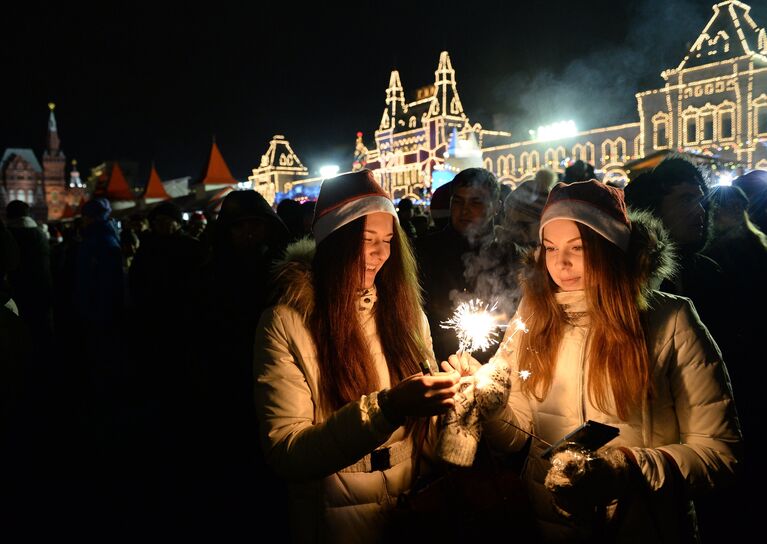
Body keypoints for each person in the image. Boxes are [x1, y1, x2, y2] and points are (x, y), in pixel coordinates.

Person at [458, 179, 742, 542]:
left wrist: (626, 469)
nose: (560, 263)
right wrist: (491, 404)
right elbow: (515, 438)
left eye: (578, 247)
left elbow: (720, 453)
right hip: (550, 530)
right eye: (549, 247)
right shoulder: (534, 314)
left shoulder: (669, 320)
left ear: (609, 246)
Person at [252, 169, 460, 542]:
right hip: (333, 515)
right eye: (367, 240)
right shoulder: (286, 322)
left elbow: (428, 434)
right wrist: (387, 408)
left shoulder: (406, 314)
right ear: (336, 241)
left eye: (388, 240)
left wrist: (458, 399)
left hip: (414, 505)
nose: (380, 254)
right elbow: (287, 451)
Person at [417, 168, 520, 364]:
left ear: (496, 207)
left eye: (476, 202)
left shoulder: (512, 257)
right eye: (458, 201)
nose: (464, 211)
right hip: (439, 368)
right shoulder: (425, 252)